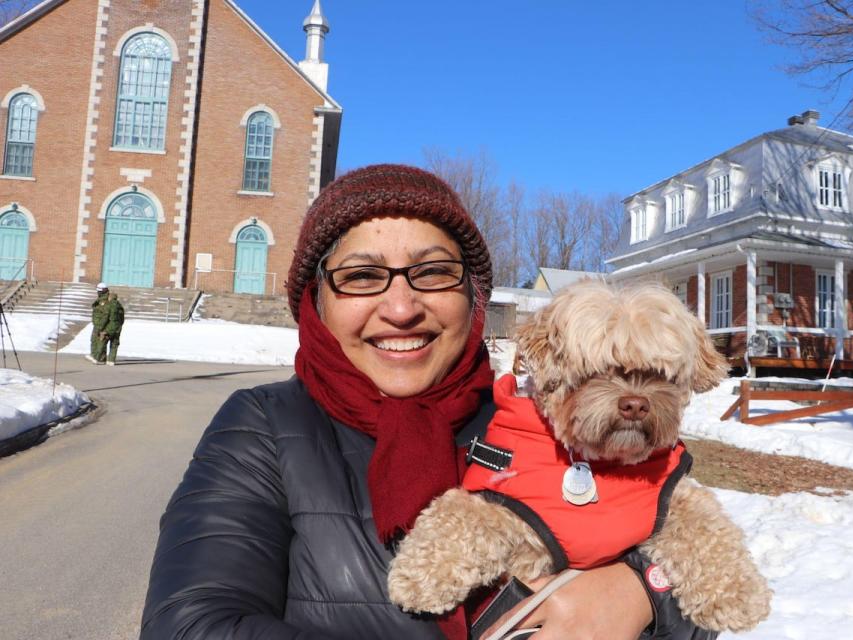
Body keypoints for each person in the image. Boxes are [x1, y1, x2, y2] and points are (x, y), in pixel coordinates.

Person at [140, 164, 719, 640]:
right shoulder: (263, 427)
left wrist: (645, 594)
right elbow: (191, 624)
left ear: (472, 296)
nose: (401, 308)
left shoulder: (542, 419)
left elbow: (693, 566)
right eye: (363, 276)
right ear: (315, 301)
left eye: (434, 272)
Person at [85, 283, 109, 365]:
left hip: (101, 323)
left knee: (98, 340)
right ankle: (96, 356)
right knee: (95, 339)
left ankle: (98, 357)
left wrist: (101, 325)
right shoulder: (101, 298)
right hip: (98, 322)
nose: (98, 293)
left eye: (99, 291)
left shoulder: (105, 300)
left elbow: (105, 313)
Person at [102, 292, 124, 366]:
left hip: (110, 326)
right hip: (118, 327)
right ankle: (111, 360)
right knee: (114, 343)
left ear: (110, 297)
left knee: (103, 341)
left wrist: (102, 327)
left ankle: (101, 358)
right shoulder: (120, 306)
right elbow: (122, 319)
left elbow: (106, 317)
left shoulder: (108, 305)